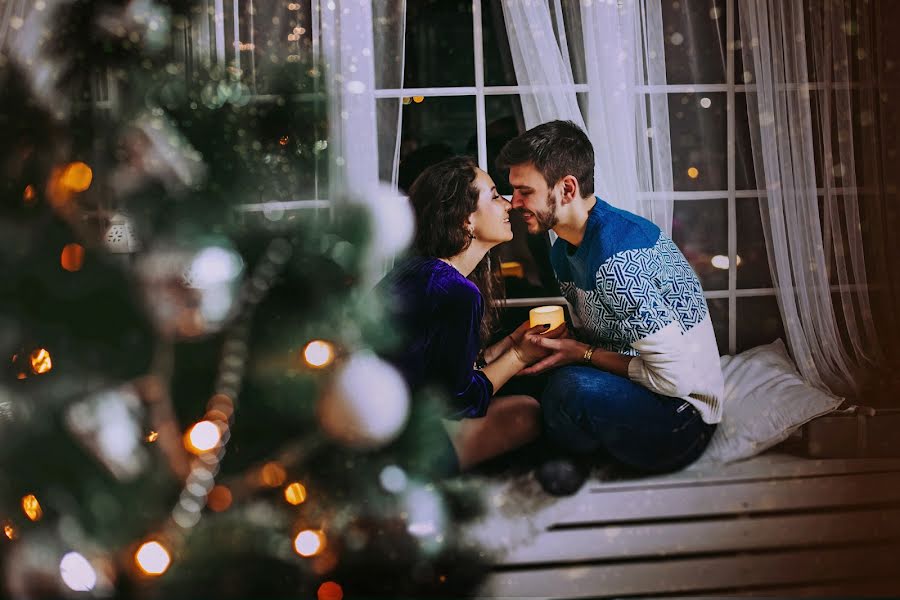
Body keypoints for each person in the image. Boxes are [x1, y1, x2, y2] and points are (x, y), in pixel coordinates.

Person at [497, 120, 724, 476]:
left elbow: (674, 381)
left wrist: (583, 355)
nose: (514, 203)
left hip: (681, 419)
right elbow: (606, 337)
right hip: (633, 385)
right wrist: (554, 345)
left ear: (567, 188)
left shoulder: (617, 260)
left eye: (525, 191)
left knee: (568, 390)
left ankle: (561, 462)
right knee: (523, 372)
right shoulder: (563, 250)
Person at [376, 156, 565, 475]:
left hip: (382, 424)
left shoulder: (419, 271)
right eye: (494, 195)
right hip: (405, 443)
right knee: (528, 412)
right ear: (466, 219)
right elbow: (461, 401)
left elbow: (440, 373)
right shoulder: (456, 291)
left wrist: (505, 345)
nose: (507, 205)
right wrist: (520, 355)